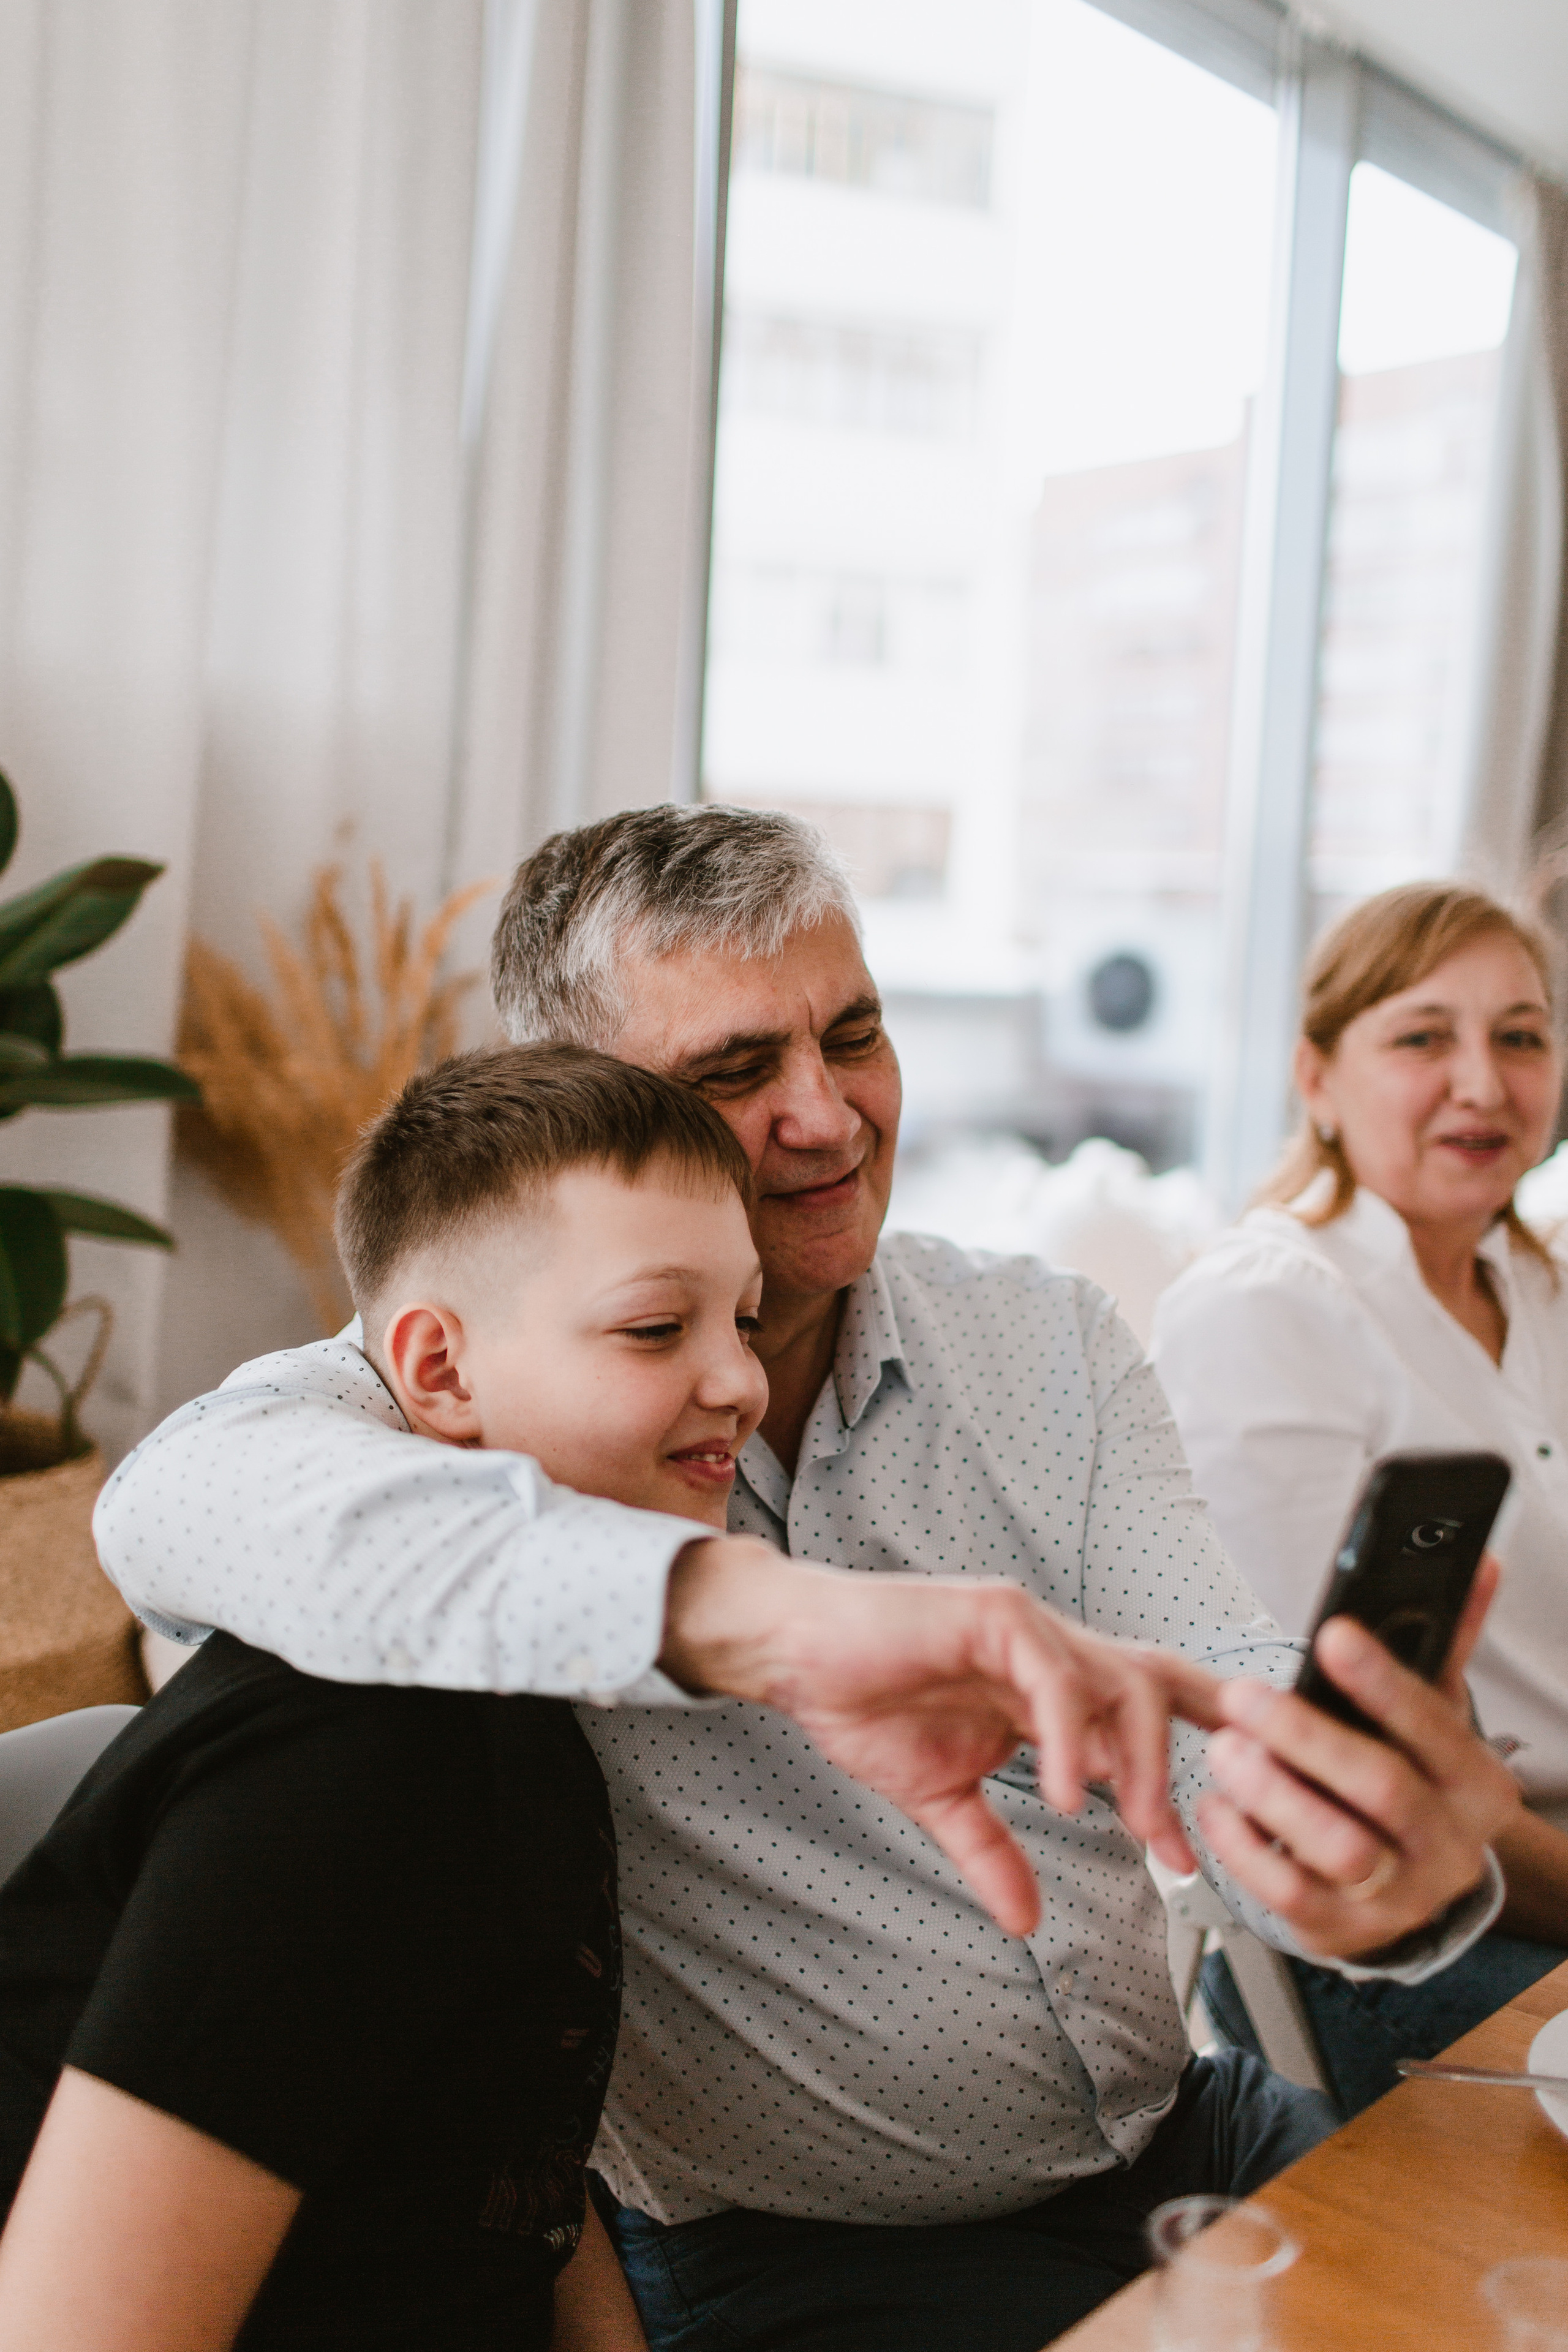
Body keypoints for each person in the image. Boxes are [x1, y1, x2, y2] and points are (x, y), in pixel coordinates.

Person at [96, 808, 1520, 2352]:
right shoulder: (473, 1392)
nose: (829, 1117)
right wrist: (764, 1620)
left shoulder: (1043, 1340)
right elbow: (171, 1504)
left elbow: (1204, 1700)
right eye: (732, 1073)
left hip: (1195, 2138)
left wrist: (1352, 1854)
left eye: (853, 1038)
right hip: (805, 2264)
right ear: (581, 1105)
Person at [0, 1044, 774, 2350]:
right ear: (439, 1372)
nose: (740, 1381)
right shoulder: (360, 1759)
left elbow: (516, 2158)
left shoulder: (520, 1697)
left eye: (744, 1320)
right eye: (657, 1327)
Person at [1152, 881, 1568, 2117]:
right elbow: (1322, 1765)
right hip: (1399, 1920)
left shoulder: (1534, 1290)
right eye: (1421, 1036)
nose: (1481, 1084)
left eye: (1520, 1035)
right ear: (1315, 1077)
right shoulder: (1266, 1308)